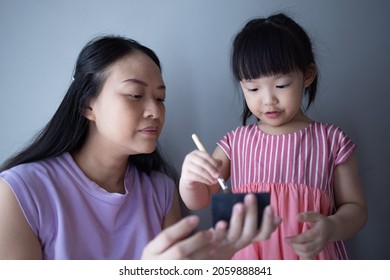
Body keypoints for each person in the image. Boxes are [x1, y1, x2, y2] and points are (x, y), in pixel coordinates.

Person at [0, 35, 280, 260]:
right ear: (88, 105)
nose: (154, 112)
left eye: (160, 98)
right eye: (135, 95)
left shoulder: (162, 190)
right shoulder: (19, 192)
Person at [179, 13, 368, 260]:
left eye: (281, 85)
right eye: (253, 88)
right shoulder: (235, 142)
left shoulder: (332, 140)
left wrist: (331, 227)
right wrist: (190, 180)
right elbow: (201, 199)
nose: (268, 100)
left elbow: (356, 209)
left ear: (307, 75)